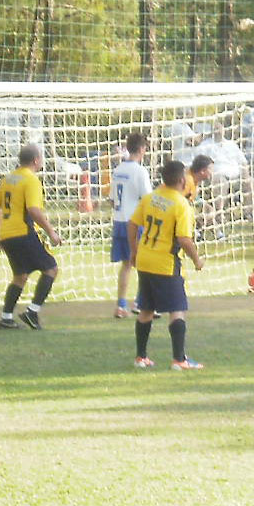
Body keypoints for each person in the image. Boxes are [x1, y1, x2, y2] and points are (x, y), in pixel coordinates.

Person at [129, 160, 207, 370]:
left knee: (146, 309)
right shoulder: (181, 205)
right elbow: (184, 239)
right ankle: (179, 360)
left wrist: (134, 251)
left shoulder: (151, 197)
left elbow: (133, 223)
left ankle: (141, 357)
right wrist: (197, 260)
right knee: (177, 309)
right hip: (165, 263)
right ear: (182, 180)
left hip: (145, 259)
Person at [0, 143, 62, 330]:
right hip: (23, 232)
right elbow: (33, 210)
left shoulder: (8, 179)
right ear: (36, 160)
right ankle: (32, 312)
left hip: (7, 234)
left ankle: (6, 318)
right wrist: (51, 232)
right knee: (51, 269)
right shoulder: (31, 180)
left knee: (20, 276)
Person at [107, 132, 154, 320]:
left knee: (126, 265)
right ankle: (140, 302)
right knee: (144, 263)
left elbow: (112, 200)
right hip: (134, 223)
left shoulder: (118, 169)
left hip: (119, 221)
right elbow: (148, 199)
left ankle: (121, 305)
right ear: (142, 149)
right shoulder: (140, 171)